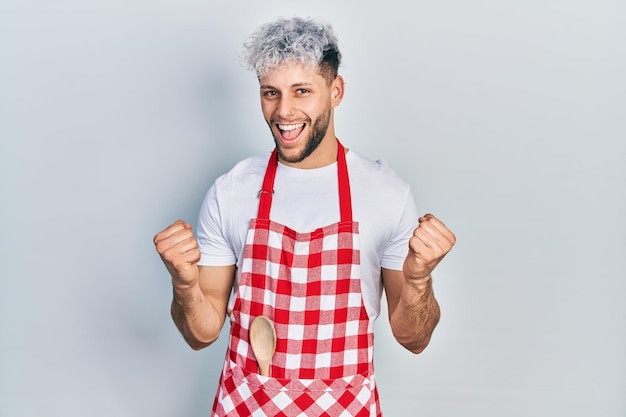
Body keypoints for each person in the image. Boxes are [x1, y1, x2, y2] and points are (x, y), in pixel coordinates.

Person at [153, 16, 456, 416]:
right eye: (270, 93)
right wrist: (185, 284)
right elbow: (201, 334)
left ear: (336, 91)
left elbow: (413, 338)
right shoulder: (232, 191)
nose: (284, 111)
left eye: (302, 91)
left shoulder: (385, 193)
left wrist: (418, 280)